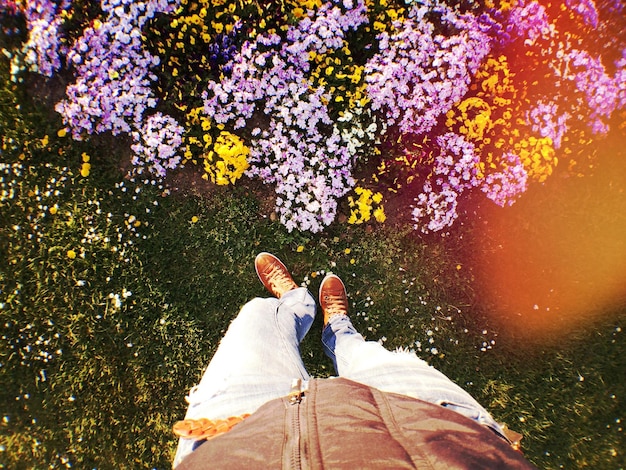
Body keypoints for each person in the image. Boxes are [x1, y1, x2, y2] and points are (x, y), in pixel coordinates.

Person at [172, 252, 535, 469]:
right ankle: (337, 331)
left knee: (256, 317)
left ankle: (297, 305)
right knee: (365, 354)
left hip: (234, 434)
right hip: (433, 424)